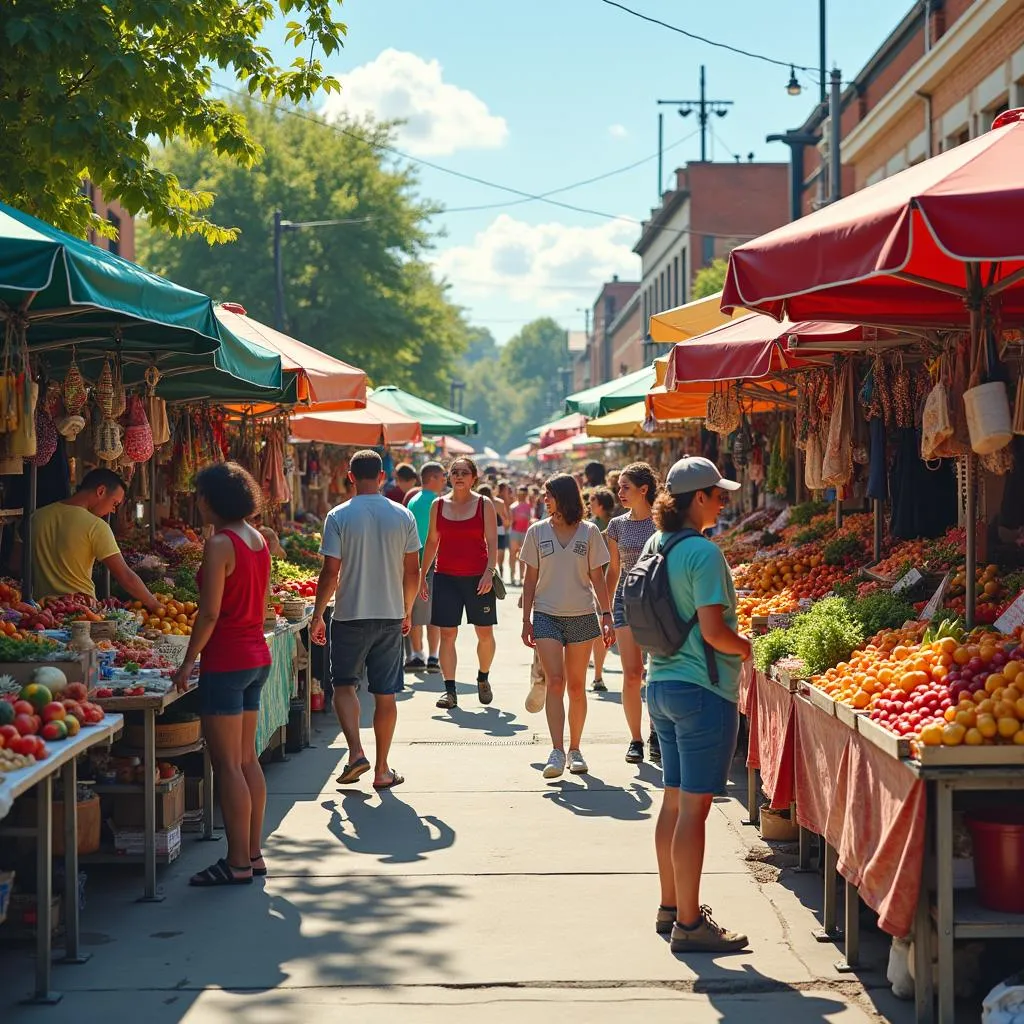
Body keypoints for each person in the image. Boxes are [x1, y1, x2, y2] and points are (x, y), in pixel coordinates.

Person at [643, 456, 750, 954]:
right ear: (698, 499)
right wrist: (750, 647)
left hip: (660, 685)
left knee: (672, 798)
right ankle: (690, 924)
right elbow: (714, 632)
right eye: (719, 494)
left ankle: (669, 907)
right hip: (702, 691)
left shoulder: (655, 543)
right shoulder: (703, 554)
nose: (724, 502)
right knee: (695, 811)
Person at [171, 463, 271, 886]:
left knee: (227, 764)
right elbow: (262, 604)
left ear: (212, 500)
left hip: (227, 660)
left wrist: (188, 660)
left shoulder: (220, 544)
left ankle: (236, 863)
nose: (196, 502)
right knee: (247, 759)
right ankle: (252, 853)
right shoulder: (258, 539)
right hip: (255, 656)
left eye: (199, 496)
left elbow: (209, 612)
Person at [310, 450, 420, 791]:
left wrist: (317, 616)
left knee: (344, 686)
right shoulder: (403, 515)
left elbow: (330, 572)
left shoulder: (338, 515)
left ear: (350, 475)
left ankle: (356, 751)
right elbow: (413, 572)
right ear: (383, 476)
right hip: (389, 616)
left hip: (349, 615)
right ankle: (382, 769)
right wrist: (407, 610)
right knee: (385, 695)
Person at [520, 474, 614, 779]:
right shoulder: (536, 532)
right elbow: (530, 578)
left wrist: (607, 615)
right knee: (556, 682)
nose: (544, 499)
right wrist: (526, 620)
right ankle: (557, 750)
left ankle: (575, 749)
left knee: (576, 686)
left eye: (549, 495)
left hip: (582, 615)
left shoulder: (589, 533)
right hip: (546, 614)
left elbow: (598, 578)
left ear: (563, 497)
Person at [419, 457, 498, 710]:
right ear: (449, 477)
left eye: (464, 472)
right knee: (447, 634)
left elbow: (493, 542)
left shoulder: (484, 504)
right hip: (446, 577)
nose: (459, 476)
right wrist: (423, 574)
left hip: (478, 578)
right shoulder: (438, 505)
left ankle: (483, 677)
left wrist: (489, 572)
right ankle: (449, 690)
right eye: (454, 472)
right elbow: (432, 542)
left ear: (474, 477)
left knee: (484, 634)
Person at [31, 468, 161, 612]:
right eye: (115, 504)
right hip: (81, 610)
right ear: (101, 491)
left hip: (42, 610)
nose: (113, 510)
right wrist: (155, 605)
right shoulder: (96, 526)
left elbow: (17, 564)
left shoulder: (36, 517)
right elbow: (125, 575)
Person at [607, 463, 661, 764]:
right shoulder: (616, 525)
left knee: (655, 674)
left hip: (657, 605)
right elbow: (613, 569)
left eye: (626, 487)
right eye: (619, 487)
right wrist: (603, 608)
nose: (620, 492)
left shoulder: (662, 523)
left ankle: (657, 734)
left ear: (644, 489)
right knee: (631, 675)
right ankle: (636, 739)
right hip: (625, 600)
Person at [405, 461, 445, 673]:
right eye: (442, 477)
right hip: (435, 563)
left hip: (414, 562)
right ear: (432, 478)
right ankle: (433, 656)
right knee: (434, 615)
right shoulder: (439, 502)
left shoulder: (412, 501)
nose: (445, 480)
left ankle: (417, 655)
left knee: (414, 612)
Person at [508, 485, 534, 586]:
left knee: (522, 556)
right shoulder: (513, 506)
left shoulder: (529, 506)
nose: (521, 495)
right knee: (513, 554)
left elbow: (531, 518)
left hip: (525, 532)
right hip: (515, 532)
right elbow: (511, 521)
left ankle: (522, 577)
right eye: (520, 493)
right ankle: (512, 576)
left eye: (524, 494)